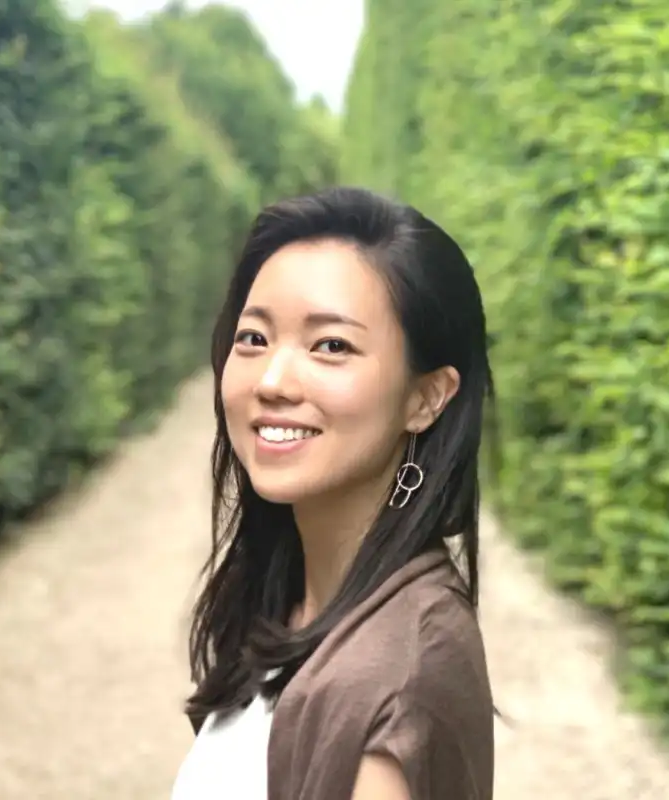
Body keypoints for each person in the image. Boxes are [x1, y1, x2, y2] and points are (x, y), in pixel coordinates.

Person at [171, 186, 495, 799]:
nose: (272, 381)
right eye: (254, 338)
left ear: (425, 398)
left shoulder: (393, 682)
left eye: (331, 346)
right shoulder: (288, 594)